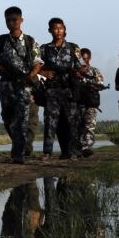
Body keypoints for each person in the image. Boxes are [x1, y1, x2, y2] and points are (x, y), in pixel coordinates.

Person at [0, 7, 42, 164]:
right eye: (8, 20)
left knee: (23, 119)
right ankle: (20, 147)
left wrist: (29, 76)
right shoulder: (0, 41)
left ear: (21, 20)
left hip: (24, 85)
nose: (11, 22)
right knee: (7, 118)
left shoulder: (30, 41)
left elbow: (38, 63)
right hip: (6, 85)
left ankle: (19, 153)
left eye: (14, 19)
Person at [38, 18, 81, 160]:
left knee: (72, 122)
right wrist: (43, 73)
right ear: (50, 30)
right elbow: (35, 66)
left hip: (69, 89)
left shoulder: (73, 47)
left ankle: (74, 152)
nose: (58, 31)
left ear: (64, 29)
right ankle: (47, 152)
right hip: (52, 89)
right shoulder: (44, 49)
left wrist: (76, 72)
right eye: (55, 28)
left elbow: (82, 66)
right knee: (50, 121)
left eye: (60, 28)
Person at [75, 47, 106, 157]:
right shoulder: (74, 71)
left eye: (86, 59)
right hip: (78, 102)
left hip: (91, 102)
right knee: (77, 126)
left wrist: (93, 86)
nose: (84, 61)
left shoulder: (95, 71)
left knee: (90, 126)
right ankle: (78, 149)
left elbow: (101, 83)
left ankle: (87, 148)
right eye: (81, 59)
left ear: (90, 58)